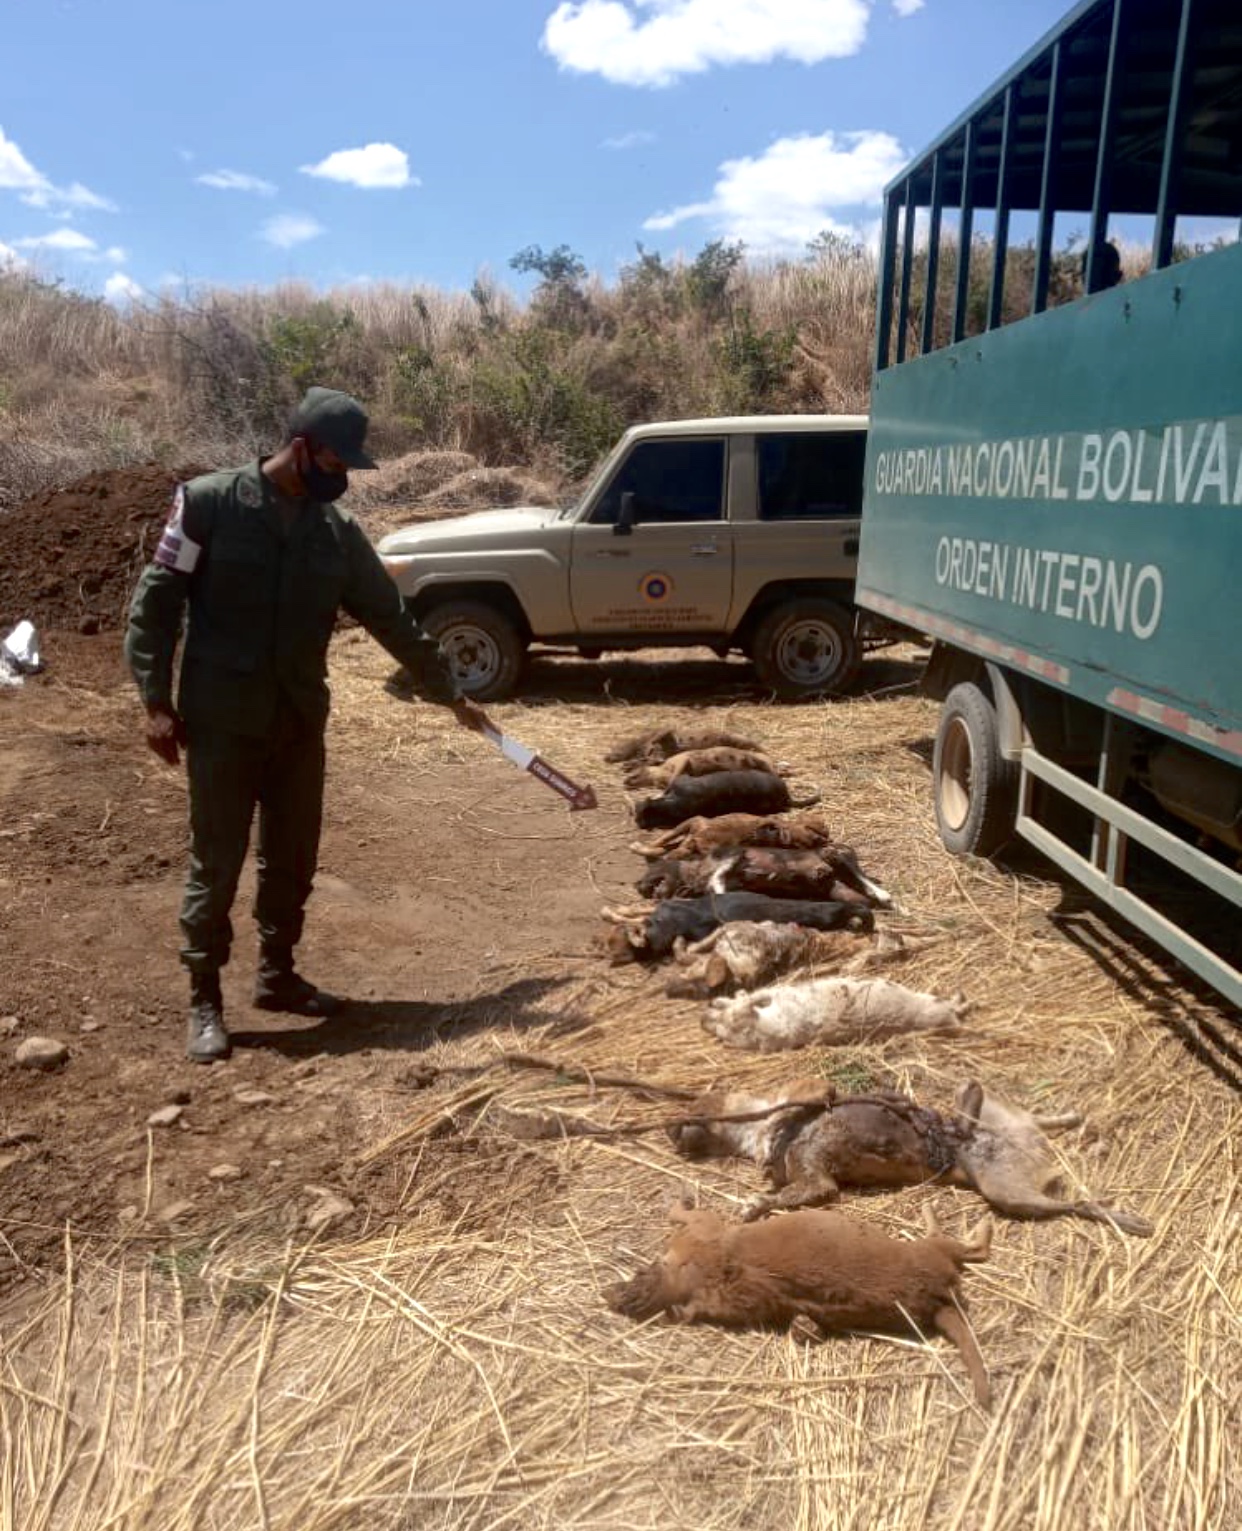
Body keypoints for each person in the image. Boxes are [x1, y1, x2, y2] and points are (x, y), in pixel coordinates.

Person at [125, 386, 488, 1063]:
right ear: (299, 448)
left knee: (292, 859)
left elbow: (391, 619)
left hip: (298, 725)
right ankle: (204, 995)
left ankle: (277, 975)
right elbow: (155, 607)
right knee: (218, 862)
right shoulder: (206, 504)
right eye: (335, 461)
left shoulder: (337, 533)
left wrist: (448, 692)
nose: (343, 475)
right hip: (223, 722)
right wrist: (154, 701)